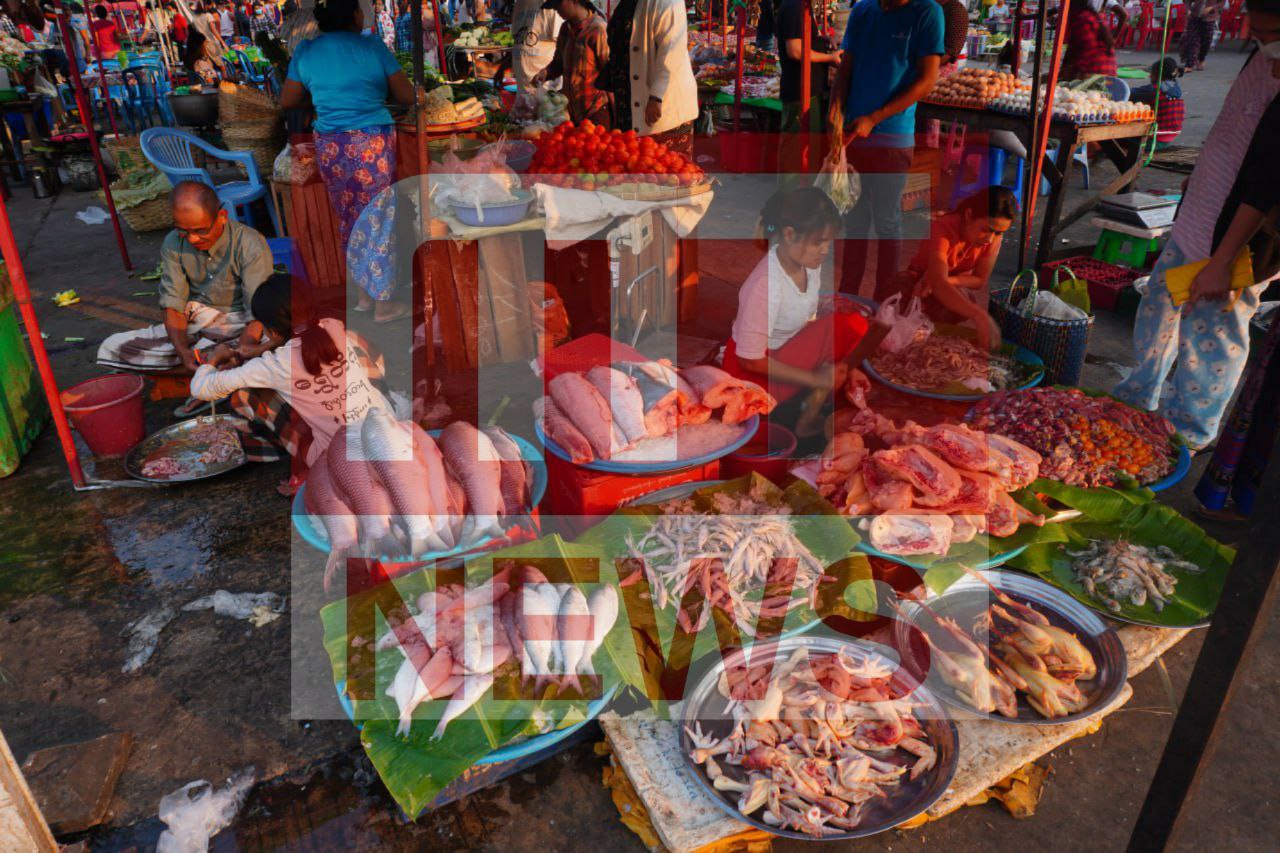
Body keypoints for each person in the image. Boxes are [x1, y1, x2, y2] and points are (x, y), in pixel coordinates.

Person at [1114, 0, 1280, 451]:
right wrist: (1206, 171)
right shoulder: (1263, 59)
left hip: (1238, 242)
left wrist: (1223, 261)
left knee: (1210, 338)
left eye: (1269, 35)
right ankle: (1137, 398)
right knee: (1157, 307)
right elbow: (1238, 129)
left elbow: (1265, 188)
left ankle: (1185, 435)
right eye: (1256, 33)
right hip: (1200, 217)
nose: (1259, 41)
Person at [280, 0, 415, 322]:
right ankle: (384, 304)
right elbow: (407, 97)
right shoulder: (372, 46)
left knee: (350, 219)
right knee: (378, 219)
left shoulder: (307, 52)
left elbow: (287, 100)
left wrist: (324, 95)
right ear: (356, 15)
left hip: (331, 146)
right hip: (371, 142)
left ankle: (364, 298)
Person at [190, 273, 391, 481]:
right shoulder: (333, 326)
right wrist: (261, 348)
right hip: (388, 437)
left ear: (272, 331)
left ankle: (283, 457)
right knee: (357, 342)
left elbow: (200, 389)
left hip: (339, 462)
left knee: (247, 393)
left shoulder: (273, 365)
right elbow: (301, 334)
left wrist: (213, 360)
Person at [723, 188, 875, 419]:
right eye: (818, 243)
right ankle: (803, 400)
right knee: (844, 327)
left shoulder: (808, 264)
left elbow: (807, 322)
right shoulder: (766, 283)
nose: (825, 251)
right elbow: (749, 360)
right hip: (753, 374)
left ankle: (818, 392)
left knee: (853, 324)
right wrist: (815, 378)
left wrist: (848, 367)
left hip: (785, 352)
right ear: (790, 234)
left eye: (828, 243)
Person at [97, 182, 274, 379]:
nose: (192, 239)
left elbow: (259, 310)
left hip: (243, 324)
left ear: (222, 217)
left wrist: (243, 349)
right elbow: (173, 305)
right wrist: (182, 352)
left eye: (200, 230)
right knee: (112, 347)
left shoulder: (249, 243)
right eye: (183, 231)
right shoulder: (173, 243)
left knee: (276, 345)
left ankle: (214, 369)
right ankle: (216, 371)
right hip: (198, 325)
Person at [828, 0, 944, 300]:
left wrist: (875, 117)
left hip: (893, 138)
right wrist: (836, 109)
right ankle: (848, 295)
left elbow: (927, 80)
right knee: (854, 219)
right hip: (854, 136)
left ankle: (885, 300)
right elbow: (846, 69)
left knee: (886, 220)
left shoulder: (927, 13)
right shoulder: (863, 10)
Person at [890, 187, 1017, 350]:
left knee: (958, 304)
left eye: (999, 233)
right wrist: (979, 315)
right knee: (897, 296)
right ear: (969, 215)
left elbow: (979, 280)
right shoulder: (943, 227)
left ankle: (935, 340)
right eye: (986, 230)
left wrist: (945, 280)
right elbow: (937, 283)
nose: (990, 239)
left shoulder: (993, 238)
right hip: (917, 279)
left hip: (947, 283)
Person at [602, 0, 699, 155]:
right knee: (634, 169)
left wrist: (656, 96)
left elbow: (672, 50)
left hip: (661, 106)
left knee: (666, 171)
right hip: (628, 100)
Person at [533, 0, 611, 125]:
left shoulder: (598, 29)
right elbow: (558, 63)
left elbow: (609, 73)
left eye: (558, 4)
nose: (556, 10)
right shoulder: (565, 28)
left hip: (596, 112)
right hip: (572, 112)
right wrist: (545, 73)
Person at [1131, 57, 1186, 145]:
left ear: (1157, 74)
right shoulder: (1175, 86)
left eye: (1151, 73)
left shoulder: (1153, 89)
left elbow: (1130, 93)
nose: (1150, 75)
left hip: (1156, 137)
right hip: (1171, 134)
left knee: (1120, 140)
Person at [508, 0, 561, 92]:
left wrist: (547, 72)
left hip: (543, 84)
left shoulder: (552, 4)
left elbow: (562, 45)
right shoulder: (520, 3)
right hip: (523, 84)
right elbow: (519, 40)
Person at [1062, 0, 1121, 79]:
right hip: (1109, 72)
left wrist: (1063, 72)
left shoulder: (1081, 19)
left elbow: (1078, 52)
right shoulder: (1097, 15)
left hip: (1094, 73)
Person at [1183, 0, 1225, 70]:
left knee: (1206, 40)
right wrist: (1188, 10)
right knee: (1192, 40)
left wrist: (1212, 7)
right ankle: (1189, 64)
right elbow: (1187, 1)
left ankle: (1201, 59)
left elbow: (1221, 3)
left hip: (1209, 18)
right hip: (1194, 16)